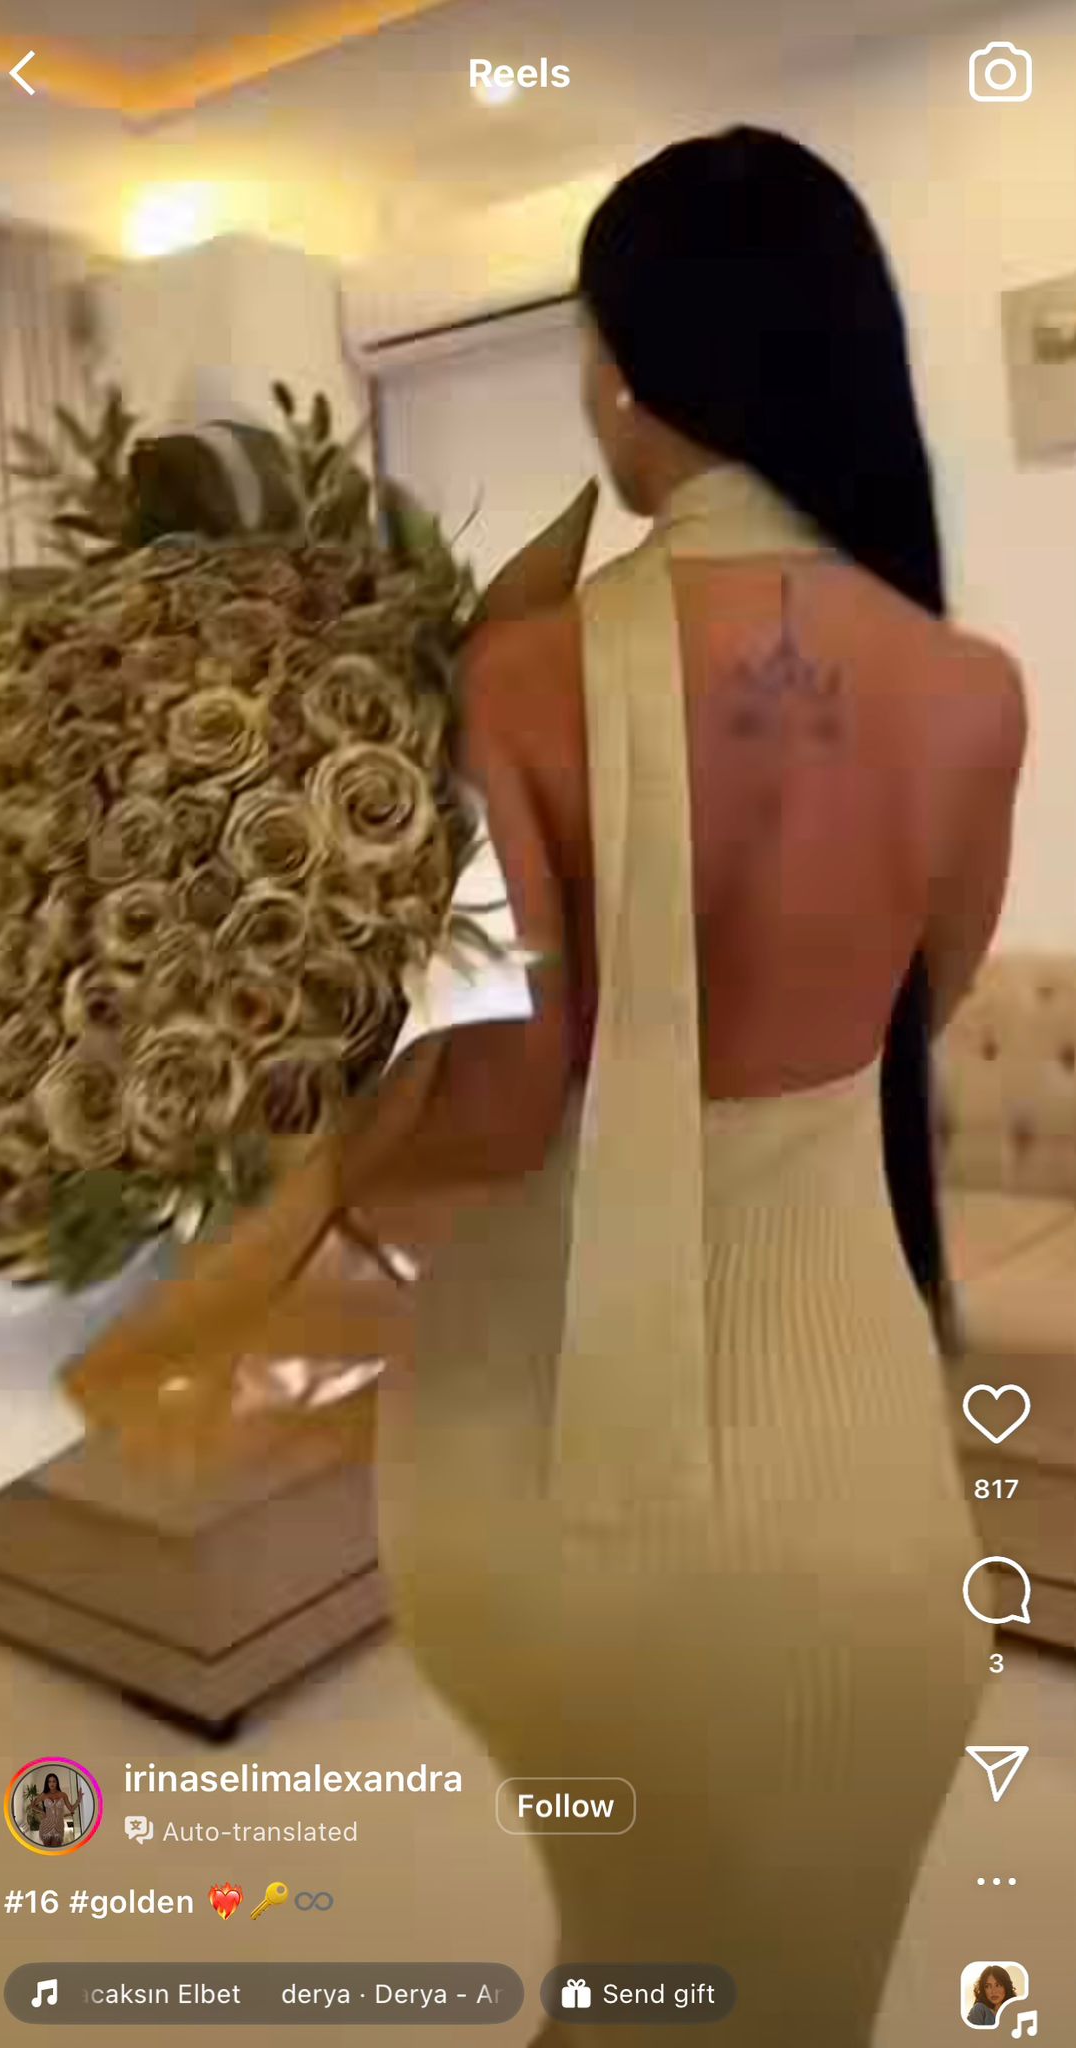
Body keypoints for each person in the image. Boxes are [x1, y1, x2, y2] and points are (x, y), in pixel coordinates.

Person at [325, 130, 1026, 2043]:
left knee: (636, 1963)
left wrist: (298, 1166)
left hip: (558, 1471)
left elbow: (491, 1097)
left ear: (630, 371)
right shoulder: (971, 688)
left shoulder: (514, 676)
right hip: (858, 1478)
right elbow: (918, 995)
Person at [36, 1773, 80, 1849]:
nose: (52, 1783)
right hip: (46, 1825)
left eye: (54, 1781)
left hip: (58, 1826)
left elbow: (71, 1808)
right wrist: (42, 1811)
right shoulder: (43, 1795)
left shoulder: (63, 1795)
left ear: (57, 1783)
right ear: (47, 1783)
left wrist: (78, 1800)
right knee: (47, 1850)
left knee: (55, 1849)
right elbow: (32, 1805)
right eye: (49, 1781)